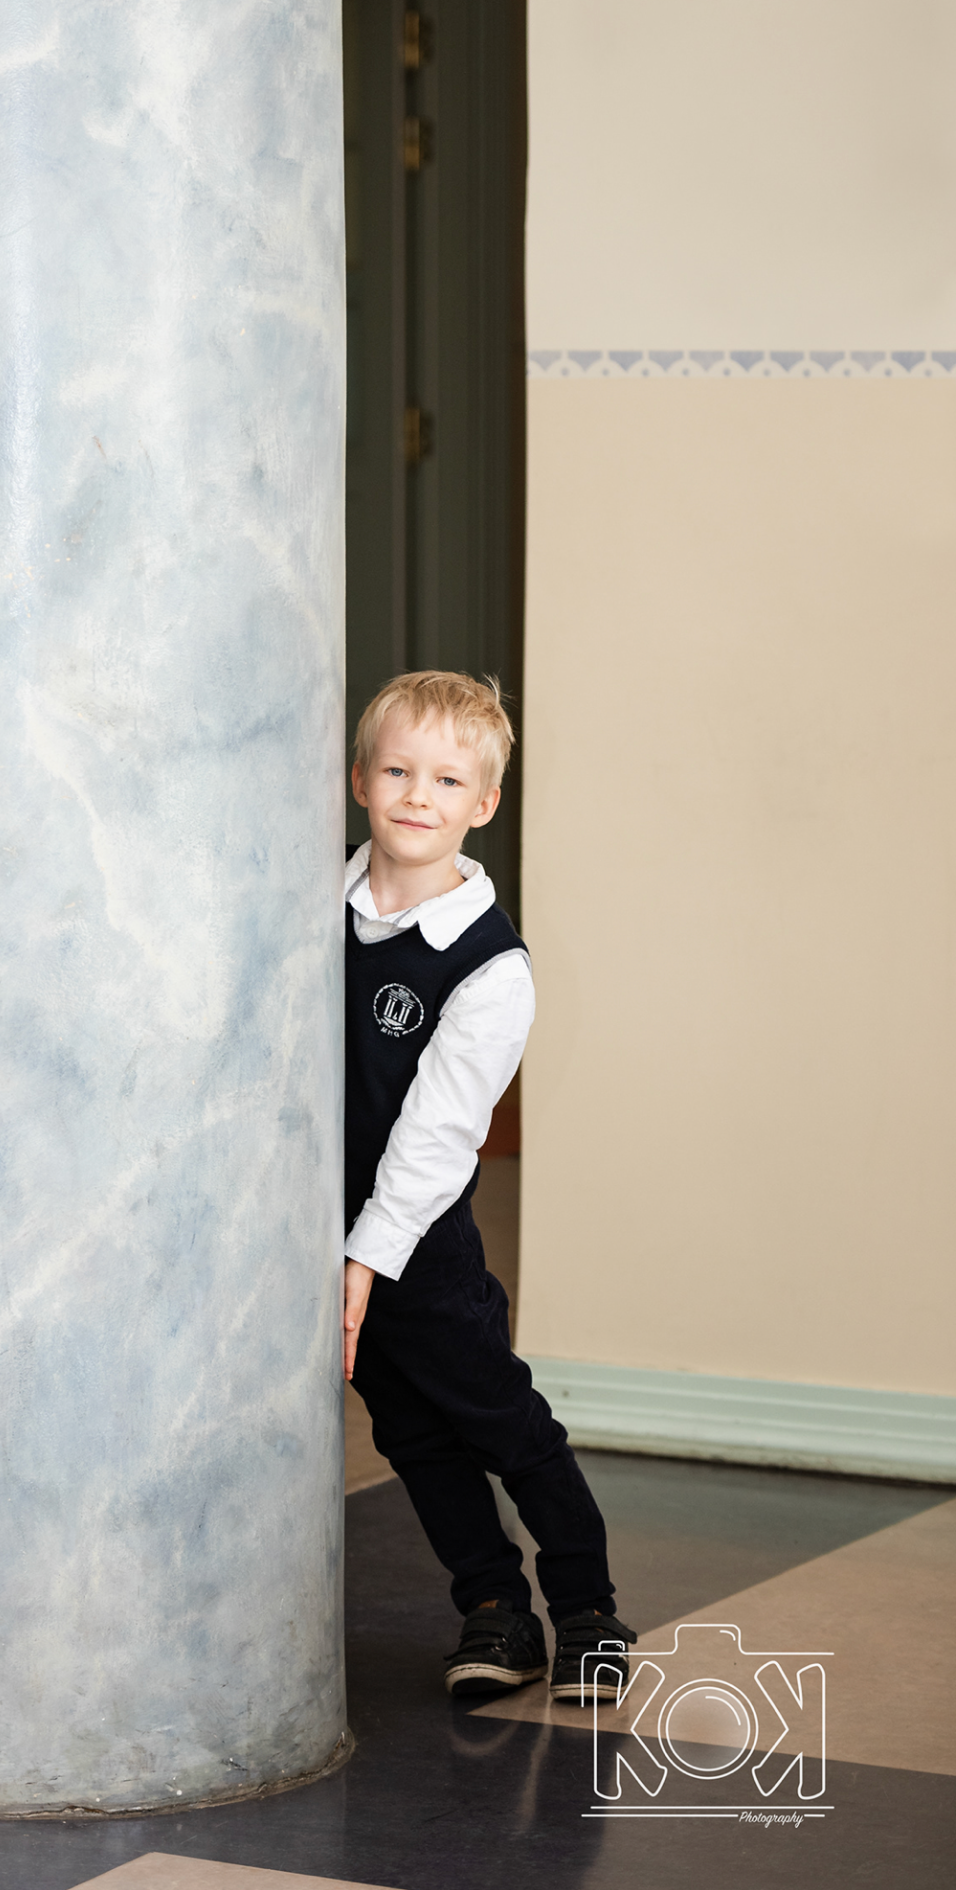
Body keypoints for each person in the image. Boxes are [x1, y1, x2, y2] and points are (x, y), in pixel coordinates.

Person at [340, 670, 634, 1702]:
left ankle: (589, 1609)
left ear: (485, 803)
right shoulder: (317, 911)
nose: (418, 796)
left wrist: (366, 1261)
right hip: (331, 1237)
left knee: (502, 1424)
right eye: (397, 772)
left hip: (416, 1246)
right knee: (410, 1436)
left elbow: (436, 1140)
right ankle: (496, 1611)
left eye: (447, 780)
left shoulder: (489, 968)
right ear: (359, 781)